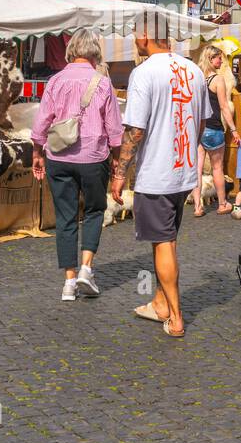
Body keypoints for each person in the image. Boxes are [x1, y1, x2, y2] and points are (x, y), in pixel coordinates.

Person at [110, 27, 209, 338]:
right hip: (183, 171)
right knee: (166, 238)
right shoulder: (193, 69)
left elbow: (135, 130)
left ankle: (176, 317)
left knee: (163, 241)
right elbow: (203, 121)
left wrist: (119, 172)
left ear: (144, 37)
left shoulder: (144, 72)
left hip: (157, 174)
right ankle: (160, 302)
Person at [31, 28, 124, 301]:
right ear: (95, 52)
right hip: (93, 158)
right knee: (95, 211)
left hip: (59, 157)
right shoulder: (103, 83)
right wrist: (117, 160)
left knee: (65, 217)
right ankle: (86, 268)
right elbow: (115, 129)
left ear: (71, 51)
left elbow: (41, 123)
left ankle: (69, 284)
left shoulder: (55, 81)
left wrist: (37, 152)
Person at [193, 44, 237, 216]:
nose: (221, 61)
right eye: (218, 57)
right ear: (210, 59)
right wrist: (233, 129)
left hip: (198, 128)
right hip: (213, 127)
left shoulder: (198, 79)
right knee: (217, 168)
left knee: (197, 168)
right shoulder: (217, 80)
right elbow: (224, 107)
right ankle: (222, 204)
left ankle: (197, 207)